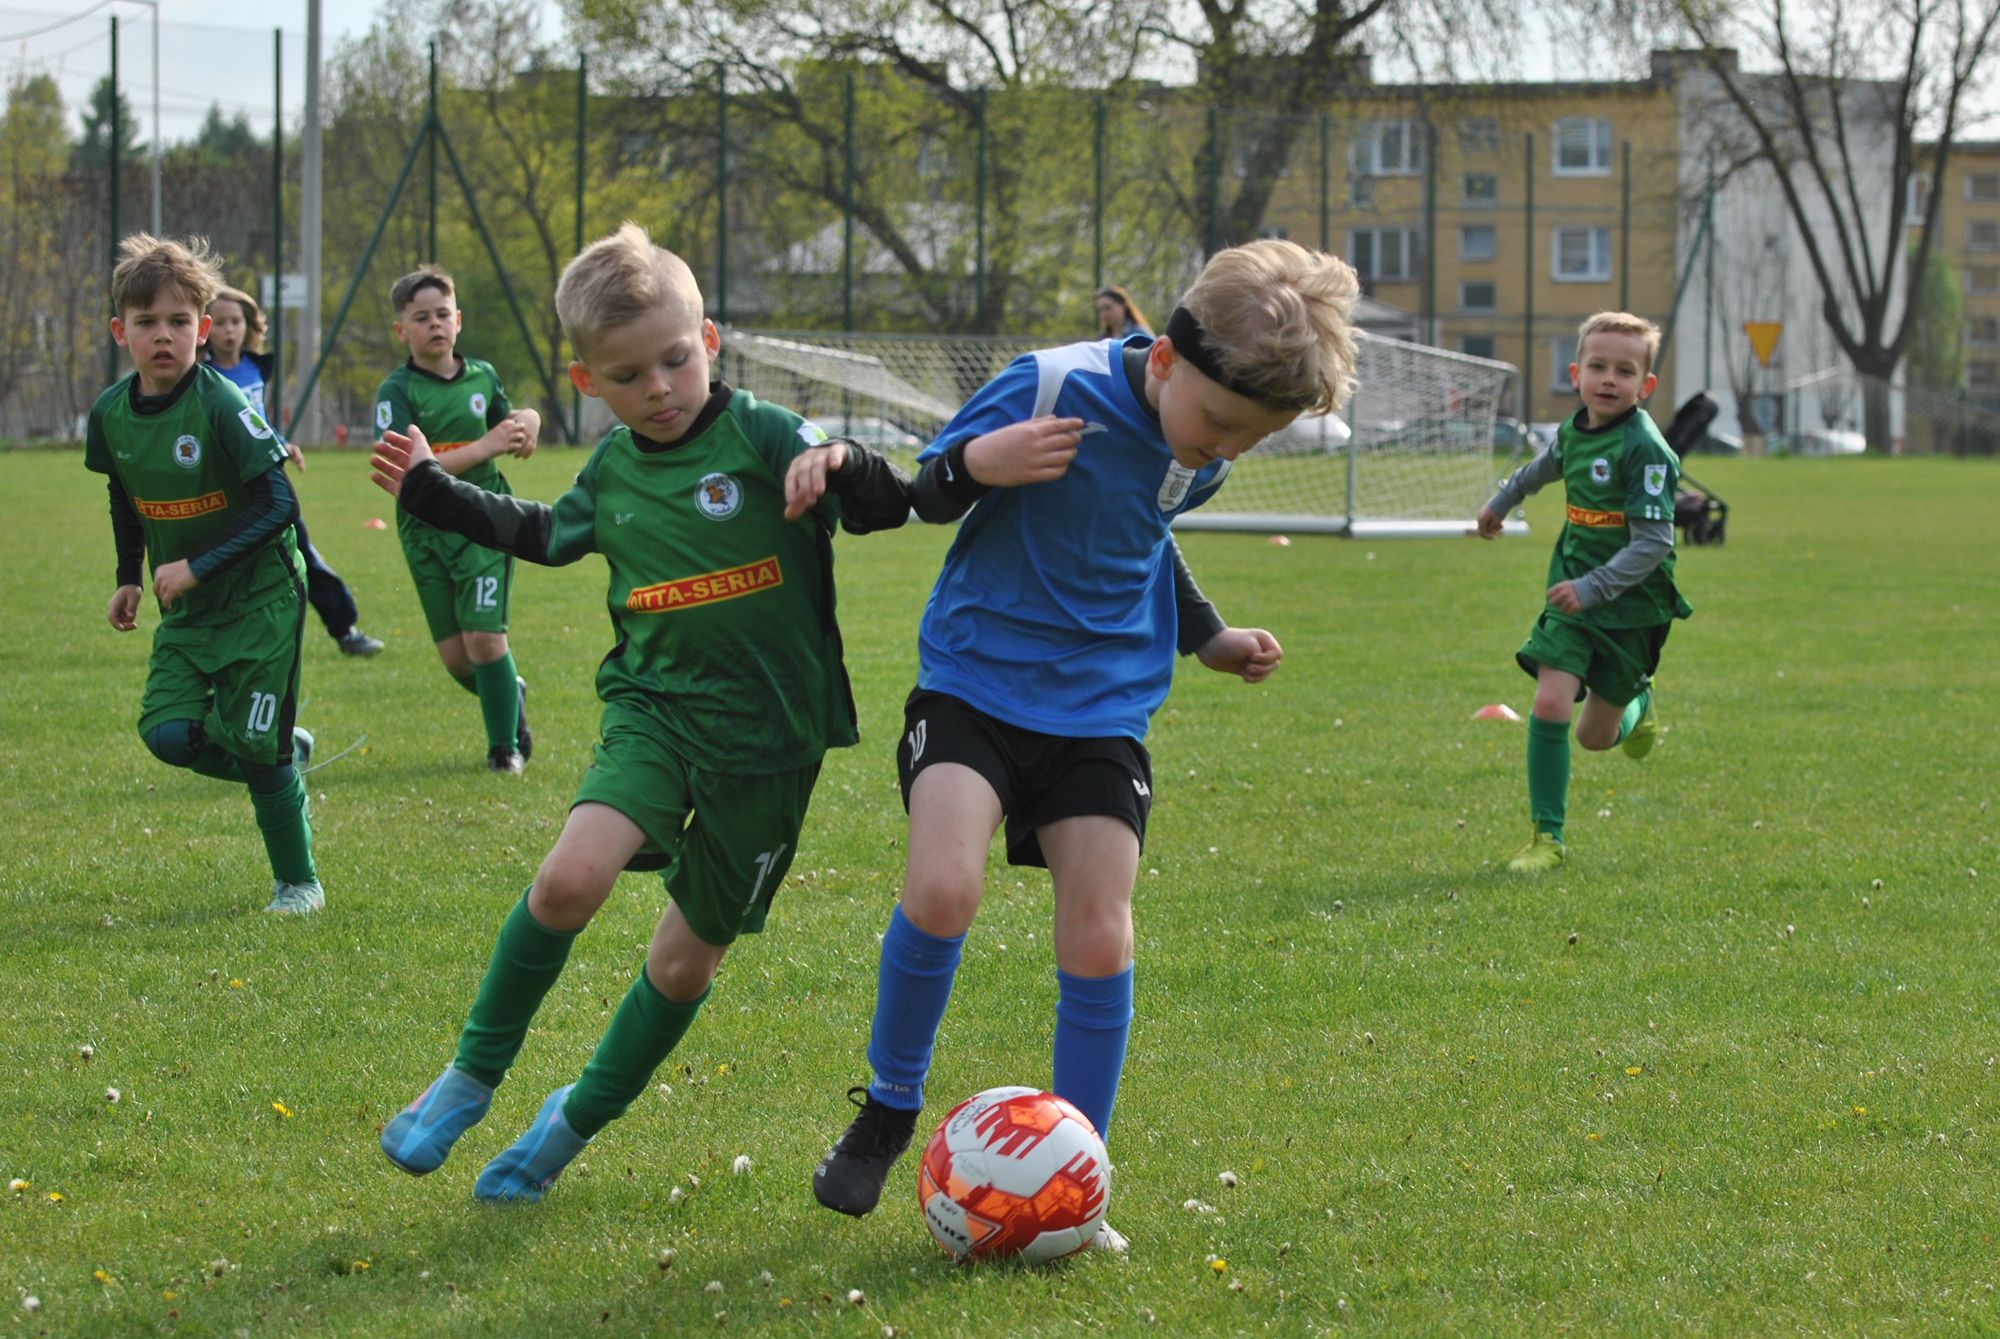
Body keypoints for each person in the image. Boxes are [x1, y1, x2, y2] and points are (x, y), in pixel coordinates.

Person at [807, 239, 1360, 1252]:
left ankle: (1077, 1169)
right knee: (941, 889)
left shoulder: (1198, 453)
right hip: (974, 680)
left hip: (1103, 708)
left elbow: (1146, 533)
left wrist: (1208, 636)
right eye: (1218, 425)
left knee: (1100, 930)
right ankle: (887, 1109)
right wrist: (984, 462)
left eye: (1249, 438)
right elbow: (911, 496)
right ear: (1160, 362)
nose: (1222, 451)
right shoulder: (1049, 383)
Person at [370, 222, 912, 1203]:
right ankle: (468, 1076)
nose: (657, 388)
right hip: (654, 713)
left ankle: (567, 1124)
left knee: (679, 961)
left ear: (708, 343)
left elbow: (887, 505)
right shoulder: (615, 467)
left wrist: (839, 463)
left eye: (673, 359)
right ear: (586, 383)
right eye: (627, 375)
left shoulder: (762, 434)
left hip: (772, 748)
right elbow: (540, 533)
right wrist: (430, 490)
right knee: (567, 879)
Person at [85, 234, 323, 914]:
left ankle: (298, 882)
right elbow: (123, 494)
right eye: (147, 322)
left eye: (180, 322)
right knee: (168, 734)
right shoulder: (109, 414)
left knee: (256, 747)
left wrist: (197, 565)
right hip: (188, 608)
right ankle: (278, 748)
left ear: (205, 328)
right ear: (119, 331)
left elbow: (281, 504)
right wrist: (129, 574)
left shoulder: (222, 403)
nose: (164, 336)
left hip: (263, 599)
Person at [1474, 311, 1693, 873]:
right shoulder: (1574, 430)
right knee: (1548, 703)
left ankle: (1640, 704)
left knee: (1595, 737)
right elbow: (1540, 470)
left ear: (1645, 386)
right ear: (1576, 373)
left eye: (1624, 371)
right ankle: (1548, 838)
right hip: (1571, 598)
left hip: (1630, 608)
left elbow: (1652, 544)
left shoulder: (1646, 450)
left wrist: (1595, 587)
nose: (1609, 379)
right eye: (1598, 366)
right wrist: (1500, 504)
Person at [374, 266, 541, 772]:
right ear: (402, 331)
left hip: (484, 519)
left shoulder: (482, 377)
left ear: (459, 319)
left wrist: (528, 421)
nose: (435, 325)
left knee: (486, 641)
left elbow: (509, 423)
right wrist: (485, 445)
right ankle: (507, 690)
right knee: (457, 659)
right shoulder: (397, 391)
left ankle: (504, 751)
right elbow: (410, 472)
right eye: (420, 318)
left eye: (443, 314)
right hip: (424, 528)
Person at [205, 285, 385, 658]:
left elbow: (256, 422)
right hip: (224, 486)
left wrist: (281, 444)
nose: (228, 330)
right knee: (222, 562)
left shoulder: (254, 367)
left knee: (300, 552)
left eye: (235, 321)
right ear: (204, 327)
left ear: (248, 325)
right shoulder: (200, 375)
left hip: (265, 478)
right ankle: (217, 642)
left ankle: (345, 629)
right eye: (219, 322)